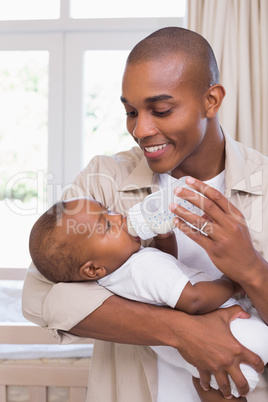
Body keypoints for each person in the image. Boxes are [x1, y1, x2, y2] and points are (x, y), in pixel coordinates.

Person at [22, 27, 268, 402]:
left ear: (211, 100)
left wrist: (250, 269)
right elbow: (41, 296)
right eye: (131, 112)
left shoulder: (262, 185)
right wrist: (181, 332)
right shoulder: (104, 181)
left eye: (162, 110)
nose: (141, 129)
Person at [29, 196, 268, 401]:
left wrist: (163, 239)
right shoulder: (138, 268)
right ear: (92, 269)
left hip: (211, 358)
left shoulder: (120, 273)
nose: (117, 217)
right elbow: (193, 299)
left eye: (108, 210)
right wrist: (234, 283)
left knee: (211, 385)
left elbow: (167, 274)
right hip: (237, 339)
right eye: (106, 227)